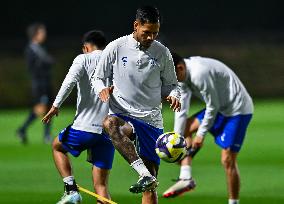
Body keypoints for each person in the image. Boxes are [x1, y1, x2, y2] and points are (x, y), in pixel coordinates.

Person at [91, 6, 181, 204]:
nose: (150, 37)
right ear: (136, 25)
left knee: (150, 187)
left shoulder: (162, 52)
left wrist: (174, 95)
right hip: (123, 114)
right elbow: (97, 77)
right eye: (146, 32)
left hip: (151, 121)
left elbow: (172, 85)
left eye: (155, 33)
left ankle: (147, 176)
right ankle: (143, 173)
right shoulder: (116, 47)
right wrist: (102, 89)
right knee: (109, 124)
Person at [163, 53, 254, 204]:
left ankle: (233, 202)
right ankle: (185, 178)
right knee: (184, 128)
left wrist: (200, 134)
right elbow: (181, 109)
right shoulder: (181, 75)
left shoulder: (199, 73)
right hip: (220, 108)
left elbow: (213, 106)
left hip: (237, 110)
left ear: (179, 67)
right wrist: (177, 139)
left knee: (227, 160)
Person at [42, 30, 115, 204]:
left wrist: (55, 105)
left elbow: (69, 81)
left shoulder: (83, 58)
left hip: (85, 127)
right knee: (101, 187)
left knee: (57, 146)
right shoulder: (114, 60)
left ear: (86, 47)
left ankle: (71, 189)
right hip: (108, 131)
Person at [17, 22, 54, 144]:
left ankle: (46, 135)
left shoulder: (40, 48)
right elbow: (33, 68)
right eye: (42, 32)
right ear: (36, 34)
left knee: (50, 108)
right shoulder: (30, 49)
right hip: (39, 85)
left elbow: (48, 62)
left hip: (46, 83)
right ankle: (22, 129)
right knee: (41, 109)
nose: (44, 34)